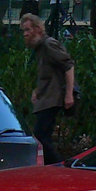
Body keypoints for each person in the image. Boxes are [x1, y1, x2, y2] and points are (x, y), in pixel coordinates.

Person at [20, 13, 75, 164]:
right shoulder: (39, 48)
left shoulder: (48, 44)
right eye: (23, 31)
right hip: (45, 97)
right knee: (42, 137)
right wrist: (37, 90)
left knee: (40, 136)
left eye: (28, 30)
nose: (25, 34)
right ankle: (52, 167)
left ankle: (59, 167)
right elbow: (48, 74)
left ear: (38, 29)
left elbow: (68, 66)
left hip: (52, 98)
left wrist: (69, 94)